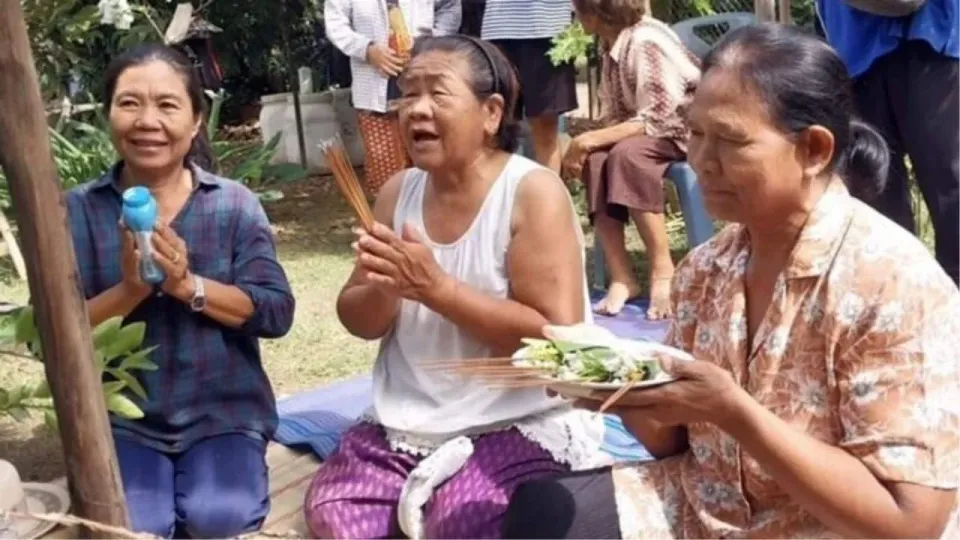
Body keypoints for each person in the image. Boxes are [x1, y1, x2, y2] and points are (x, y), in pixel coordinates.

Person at [502, 23, 960, 539]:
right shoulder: (706, 268)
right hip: (709, 510)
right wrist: (618, 390)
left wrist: (735, 413)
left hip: (829, 526)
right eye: (696, 134)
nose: (701, 161)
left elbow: (910, 522)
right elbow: (673, 443)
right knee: (543, 510)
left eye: (730, 141)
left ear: (812, 149)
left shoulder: (892, 282)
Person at [304, 35, 609, 539]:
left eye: (437, 94)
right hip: (408, 418)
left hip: (514, 417)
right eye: (407, 94)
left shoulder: (531, 192)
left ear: (491, 113)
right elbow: (357, 319)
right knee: (336, 514)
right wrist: (389, 287)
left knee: (464, 520)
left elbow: (557, 338)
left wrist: (437, 290)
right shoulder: (398, 192)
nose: (416, 110)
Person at [65, 44, 296, 538]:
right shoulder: (76, 212)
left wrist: (186, 285)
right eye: (130, 103)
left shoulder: (233, 205)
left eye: (167, 105)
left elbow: (275, 312)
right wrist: (129, 291)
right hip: (123, 417)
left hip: (224, 411)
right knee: (135, 526)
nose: (147, 120)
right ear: (108, 115)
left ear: (195, 122)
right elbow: (54, 337)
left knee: (220, 517)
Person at [563, 0, 700, 319]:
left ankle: (663, 270)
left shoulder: (645, 42)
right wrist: (588, 143)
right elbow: (616, 116)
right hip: (655, 131)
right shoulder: (613, 44)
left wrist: (588, 138)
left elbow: (661, 117)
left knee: (628, 154)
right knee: (596, 159)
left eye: (579, 10)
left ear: (596, 15)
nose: (575, 15)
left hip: (689, 131)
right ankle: (622, 275)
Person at [817, 0, 959, 285]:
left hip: (931, 39)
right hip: (854, 47)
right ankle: (893, 301)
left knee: (950, 185)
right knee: (873, 188)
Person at [324, 0, 462, 196]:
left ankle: (435, 221)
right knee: (386, 181)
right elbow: (335, 23)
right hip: (374, 92)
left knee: (433, 168)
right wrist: (367, 50)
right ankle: (391, 222)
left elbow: (450, 6)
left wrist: (432, 44)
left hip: (424, 84)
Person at [481, 0, 577, 174]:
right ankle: (497, 196)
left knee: (545, 130)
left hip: (549, 28)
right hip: (499, 27)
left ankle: (547, 198)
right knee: (497, 127)